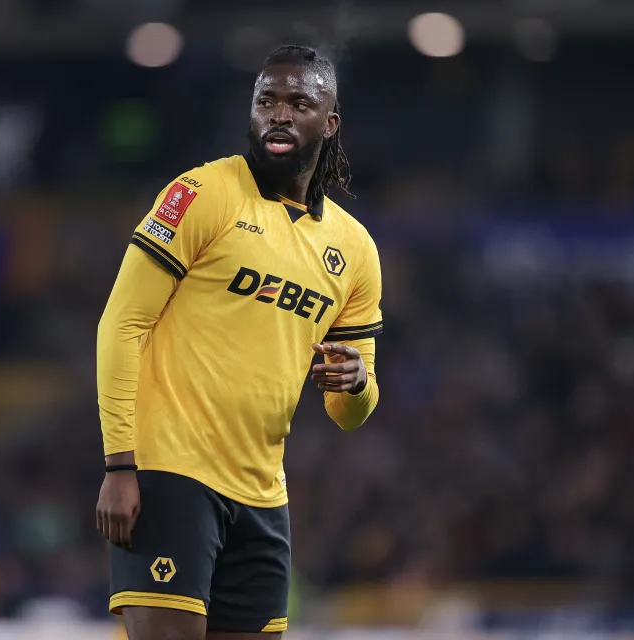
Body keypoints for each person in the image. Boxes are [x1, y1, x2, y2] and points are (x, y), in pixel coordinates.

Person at [96, 44, 384, 640]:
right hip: (170, 474)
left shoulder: (354, 250)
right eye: (267, 100)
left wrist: (356, 384)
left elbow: (349, 412)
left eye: (299, 102)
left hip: (261, 496)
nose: (279, 113)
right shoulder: (202, 194)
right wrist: (120, 465)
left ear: (329, 123)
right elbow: (121, 324)